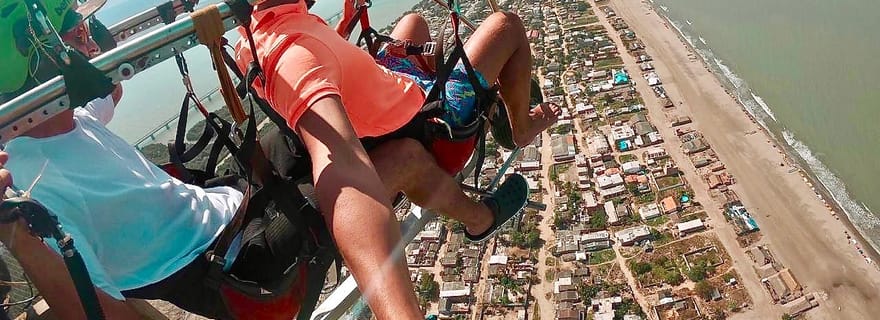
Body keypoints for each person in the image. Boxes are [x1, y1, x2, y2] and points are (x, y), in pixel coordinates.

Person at [235, 0, 560, 318]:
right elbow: (342, 168)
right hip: (424, 119)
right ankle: (521, 127)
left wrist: (340, 36)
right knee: (507, 26)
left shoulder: (260, 28)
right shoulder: (293, 54)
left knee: (414, 23)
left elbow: (314, 66)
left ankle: (490, 96)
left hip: (387, 97)